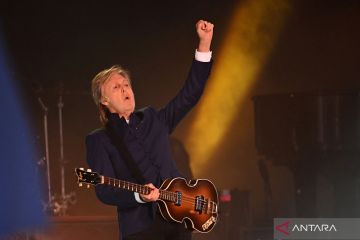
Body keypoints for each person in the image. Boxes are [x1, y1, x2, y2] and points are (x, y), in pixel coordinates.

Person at [86, 19, 214, 240]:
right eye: (116, 87)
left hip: (179, 221)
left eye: (126, 84)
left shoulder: (154, 118)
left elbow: (190, 94)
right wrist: (139, 196)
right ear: (104, 100)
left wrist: (204, 44)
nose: (125, 89)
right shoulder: (100, 140)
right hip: (140, 229)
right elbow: (104, 190)